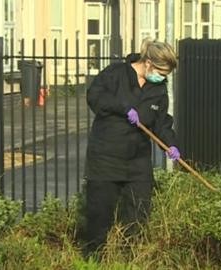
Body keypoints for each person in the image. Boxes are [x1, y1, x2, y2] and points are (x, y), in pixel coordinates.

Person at [81, 38, 181, 257]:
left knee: (138, 216)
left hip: (137, 163)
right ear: (148, 63)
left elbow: (161, 122)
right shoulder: (116, 74)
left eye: (165, 75)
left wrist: (171, 144)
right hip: (105, 158)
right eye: (161, 72)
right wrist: (123, 107)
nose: (162, 78)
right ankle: (93, 260)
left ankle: (129, 260)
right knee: (99, 217)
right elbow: (95, 97)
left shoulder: (158, 90)